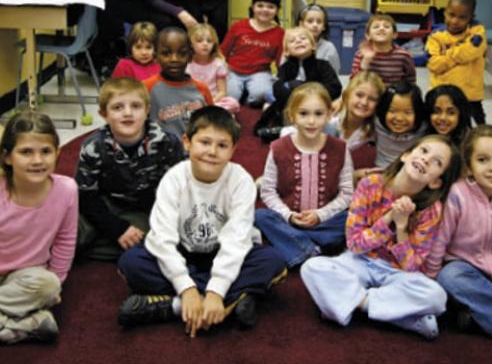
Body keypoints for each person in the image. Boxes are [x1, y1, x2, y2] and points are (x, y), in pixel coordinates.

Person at [117, 106, 287, 336]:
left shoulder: (241, 181)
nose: (212, 152)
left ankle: (177, 306)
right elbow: (162, 238)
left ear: (233, 149)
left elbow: (237, 242)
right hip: (183, 252)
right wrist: (186, 288)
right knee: (131, 262)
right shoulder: (174, 178)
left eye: (222, 145)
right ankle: (227, 302)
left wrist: (216, 291)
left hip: (226, 254)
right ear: (187, 142)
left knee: (272, 260)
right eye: (204, 142)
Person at [301, 135, 462, 339]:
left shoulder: (431, 211)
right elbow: (355, 244)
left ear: (436, 182)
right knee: (313, 267)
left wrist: (402, 228)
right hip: (360, 260)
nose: (426, 159)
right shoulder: (370, 185)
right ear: (405, 155)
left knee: (437, 297)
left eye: (437, 162)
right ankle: (400, 317)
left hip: (397, 273)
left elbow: (412, 265)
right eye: (423, 151)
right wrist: (388, 219)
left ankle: (353, 303)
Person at [424, 125, 492, 339]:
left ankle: (482, 310)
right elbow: (441, 238)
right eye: (482, 160)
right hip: (466, 266)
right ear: (469, 166)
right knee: (450, 278)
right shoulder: (458, 193)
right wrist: (431, 277)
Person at [75, 77, 184, 260]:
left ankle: (103, 248)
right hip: (105, 206)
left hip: (145, 210)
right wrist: (116, 228)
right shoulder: (93, 146)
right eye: (118, 107)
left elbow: (179, 189)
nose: (128, 113)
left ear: (147, 110)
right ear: (104, 114)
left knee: (161, 240)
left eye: (136, 106)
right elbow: (85, 196)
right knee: (70, 233)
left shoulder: (168, 141)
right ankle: (110, 244)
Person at [0, 112, 78, 344]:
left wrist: (56, 286)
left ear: (58, 153)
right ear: (7, 157)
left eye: (45, 151)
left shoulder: (66, 189)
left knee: (49, 285)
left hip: (28, 277)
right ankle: (24, 324)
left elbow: (66, 239)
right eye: (26, 152)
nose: (37, 160)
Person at [256, 83, 353, 268]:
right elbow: (268, 191)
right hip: (290, 221)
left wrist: (320, 215)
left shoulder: (340, 148)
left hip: (327, 221)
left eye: (318, 114)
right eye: (303, 114)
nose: (311, 121)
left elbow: (347, 193)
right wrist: (289, 216)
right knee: (261, 216)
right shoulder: (278, 148)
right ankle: (313, 249)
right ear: (292, 115)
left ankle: (298, 245)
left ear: (330, 115)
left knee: (352, 216)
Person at [254, 27, 342, 140]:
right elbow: (277, 88)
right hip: (291, 106)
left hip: (317, 106)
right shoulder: (285, 68)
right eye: (292, 41)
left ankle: (282, 132)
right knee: (274, 107)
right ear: (286, 51)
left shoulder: (323, 65)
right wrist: (289, 88)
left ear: (313, 45)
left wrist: (309, 90)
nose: (298, 41)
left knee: (332, 120)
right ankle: (283, 129)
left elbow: (335, 87)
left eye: (303, 38)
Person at [425, 0, 487, 125]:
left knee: (477, 125)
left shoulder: (477, 33)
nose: (455, 21)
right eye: (451, 15)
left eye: (462, 17)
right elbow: (434, 65)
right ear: (445, 12)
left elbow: (473, 51)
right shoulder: (436, 36)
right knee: (438, 124)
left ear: (470, 18)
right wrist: (459, 53)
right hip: (441, 91)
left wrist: (447, 55)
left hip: (470, 92)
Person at [144, 27, 213, 139]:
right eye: (166, 53)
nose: (174, 59)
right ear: (155, 56)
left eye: (182, 53)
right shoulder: (146, 88)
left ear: (190, 56)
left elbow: (212, 124)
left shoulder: (202, 89)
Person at [221, 0, 284, 107]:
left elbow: (280, 61)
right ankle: (239, 94)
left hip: (260, 72)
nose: (265, 10)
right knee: (229, 96)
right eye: (260, 5)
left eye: (270, 7)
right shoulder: (238, 26)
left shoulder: (280, 33)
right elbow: (222, 51)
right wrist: (222, 67)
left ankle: (248, 98)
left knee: (261, 94)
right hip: (233, 70)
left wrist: (281, 79)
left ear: (277, 10)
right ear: (252, 7)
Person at [335, 71, 386, 183]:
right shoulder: (329, 124)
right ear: (347, 95)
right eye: (359, 95)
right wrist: (355, 175)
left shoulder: (377, 133)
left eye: (372, 99)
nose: (364, 102)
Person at [186, 23, 239, 114]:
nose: (205, 44)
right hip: (192, 100)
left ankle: (206, 112)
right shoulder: (187, 63)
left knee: (233, 104)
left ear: (214, 44)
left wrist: (210, 103)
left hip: (214, 100)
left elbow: (222, 92)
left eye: (209, 41)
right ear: (191, 44)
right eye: (199, 41)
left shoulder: (218, 64)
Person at [350, 13, 416, 86]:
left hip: (394, 95)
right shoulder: (361, 54)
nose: (381, 28)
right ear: (368, 35)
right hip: (369, 95)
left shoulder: (403, 55)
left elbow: (411, 80)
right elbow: (353, 82)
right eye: (376, 27)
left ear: (394, 34)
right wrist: (366, 60)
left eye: (386, 26)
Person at [374, 80, 426, 169]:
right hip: (380, 171)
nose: (399, 118)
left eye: (407, 112)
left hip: (410, 173)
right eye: (392, 111)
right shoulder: (376, 123)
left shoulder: (424, 128)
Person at [297, 3, 340, 75]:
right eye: (310, 21)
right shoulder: (292, 44)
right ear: (301, 24)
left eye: (319, 22)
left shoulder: (329, 48)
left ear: (324, 26)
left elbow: (334, 74)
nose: (315, 25)